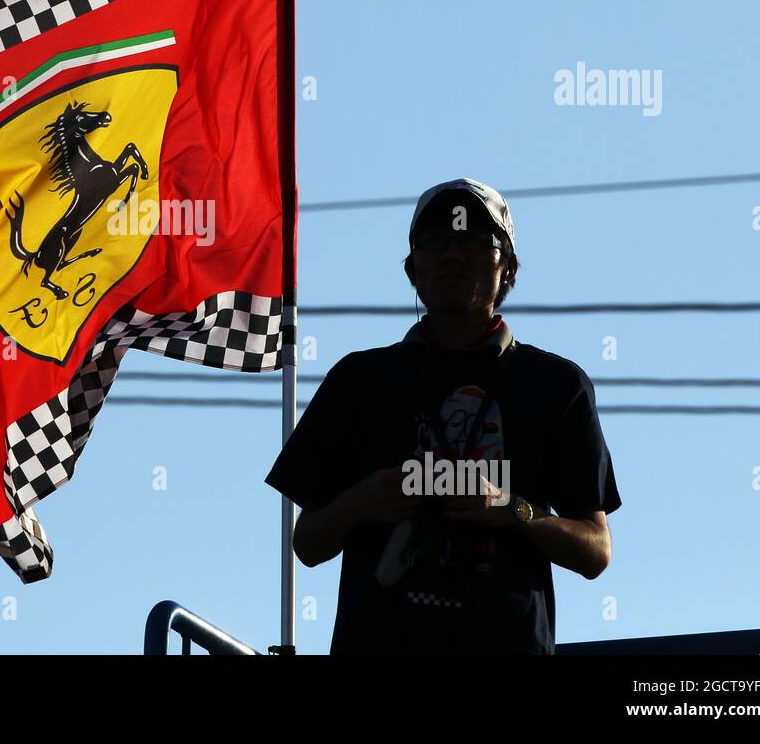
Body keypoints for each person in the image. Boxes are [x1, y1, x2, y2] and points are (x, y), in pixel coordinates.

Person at [265, 177, 622, 655]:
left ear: (509, 268)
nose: (452, 255)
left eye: (474, 241)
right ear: (412, 269)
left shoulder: (556, 384)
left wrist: (510, 510)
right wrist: (363, 500)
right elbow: (307, 544)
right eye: (435, 243)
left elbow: (596, 550)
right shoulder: (358, 379)